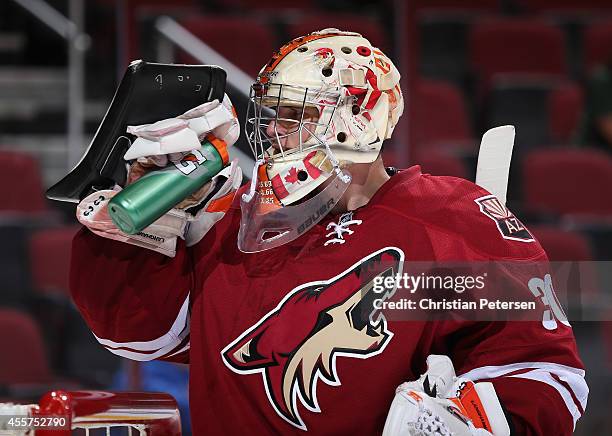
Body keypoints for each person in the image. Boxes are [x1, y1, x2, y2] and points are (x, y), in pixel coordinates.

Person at [70, 29, 587, 435]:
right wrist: (137, 239)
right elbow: (139, 339)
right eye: (271, 114)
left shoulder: (453, 221)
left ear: (358, 119)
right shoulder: (236, 217)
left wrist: (475, 416)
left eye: (294, 115)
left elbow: (549, 373)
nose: (272, 132)